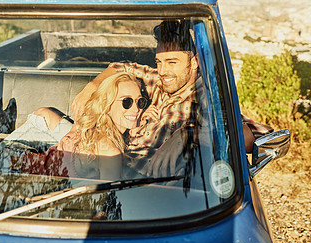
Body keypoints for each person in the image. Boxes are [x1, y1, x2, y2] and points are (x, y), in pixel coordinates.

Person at [69, 20, 273, 178]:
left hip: (145, 190)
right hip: (102, 167)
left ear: (193, 63)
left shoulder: (205, 98)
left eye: (172, 62)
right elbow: (119, 67)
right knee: (45, 117)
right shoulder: (157, 81)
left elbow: (249, 138)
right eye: (159, 61)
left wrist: (188, 135)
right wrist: (92, 86)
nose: (163, 70)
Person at [0, 56, 146, 180]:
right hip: (12, 170)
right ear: (106, 105)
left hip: (10, 159)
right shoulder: (109, 150)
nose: (136, 108)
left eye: (141, 102)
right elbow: (106, 202)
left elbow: (45, 115)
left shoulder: (85, 128)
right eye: (127, 101)